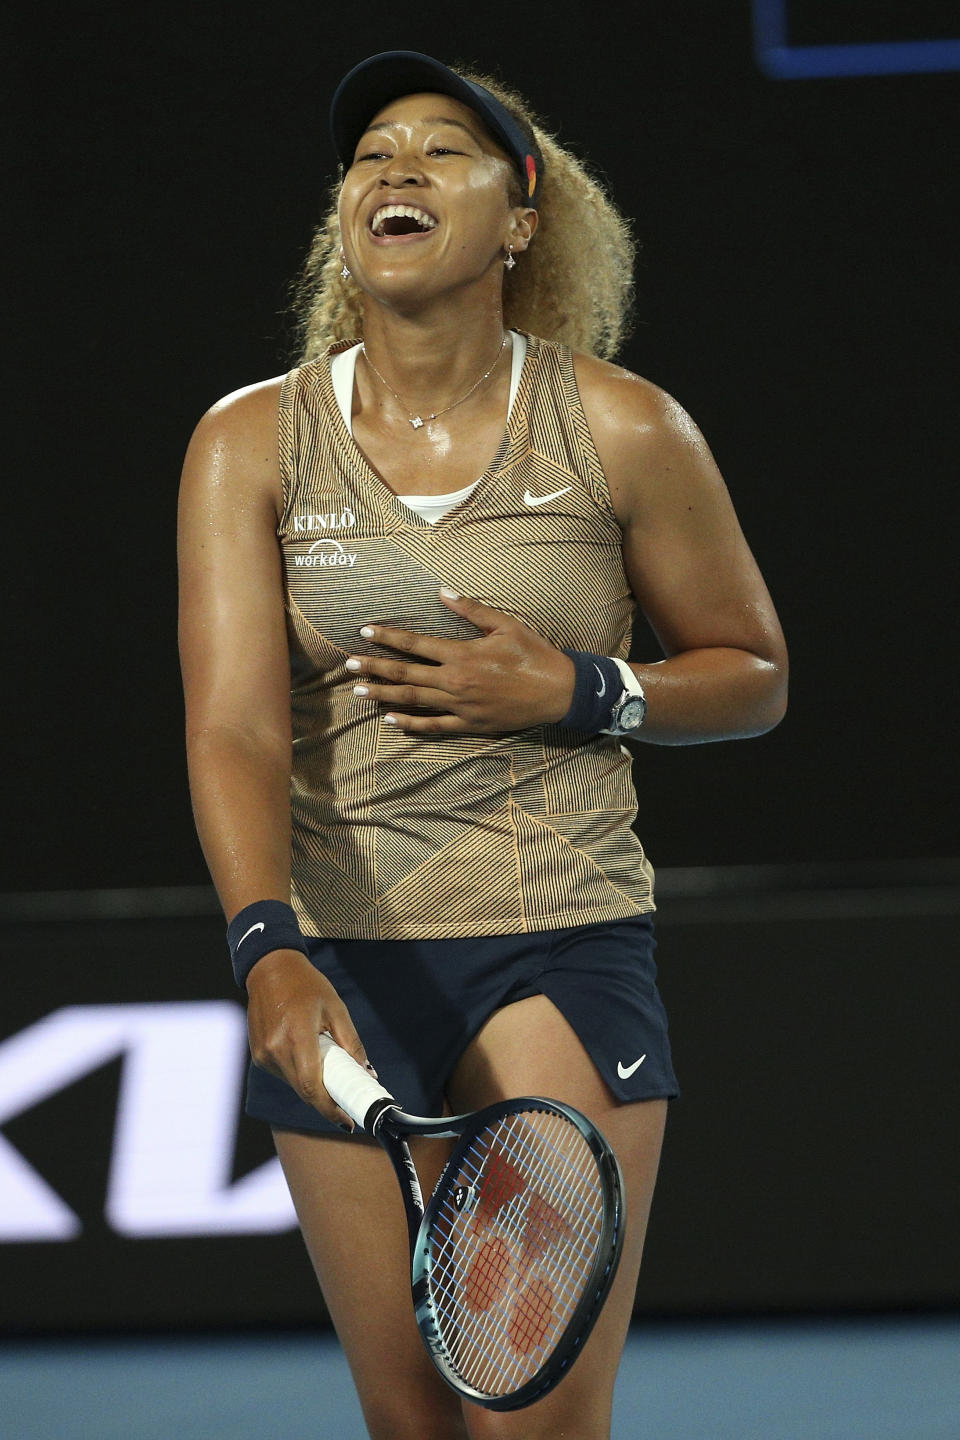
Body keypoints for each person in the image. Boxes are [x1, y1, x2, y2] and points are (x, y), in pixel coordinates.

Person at [177, 50, 787, 1440]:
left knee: (535, 1426)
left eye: (440, 149)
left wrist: (584, 690)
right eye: (371, 151)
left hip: (553, 945)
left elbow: (753, 675)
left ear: (519, 218)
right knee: (416, 1427)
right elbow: (232, 721)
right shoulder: (249, 442)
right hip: (332, 957)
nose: (393, 165)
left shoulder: (625, 427)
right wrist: (264, 947)